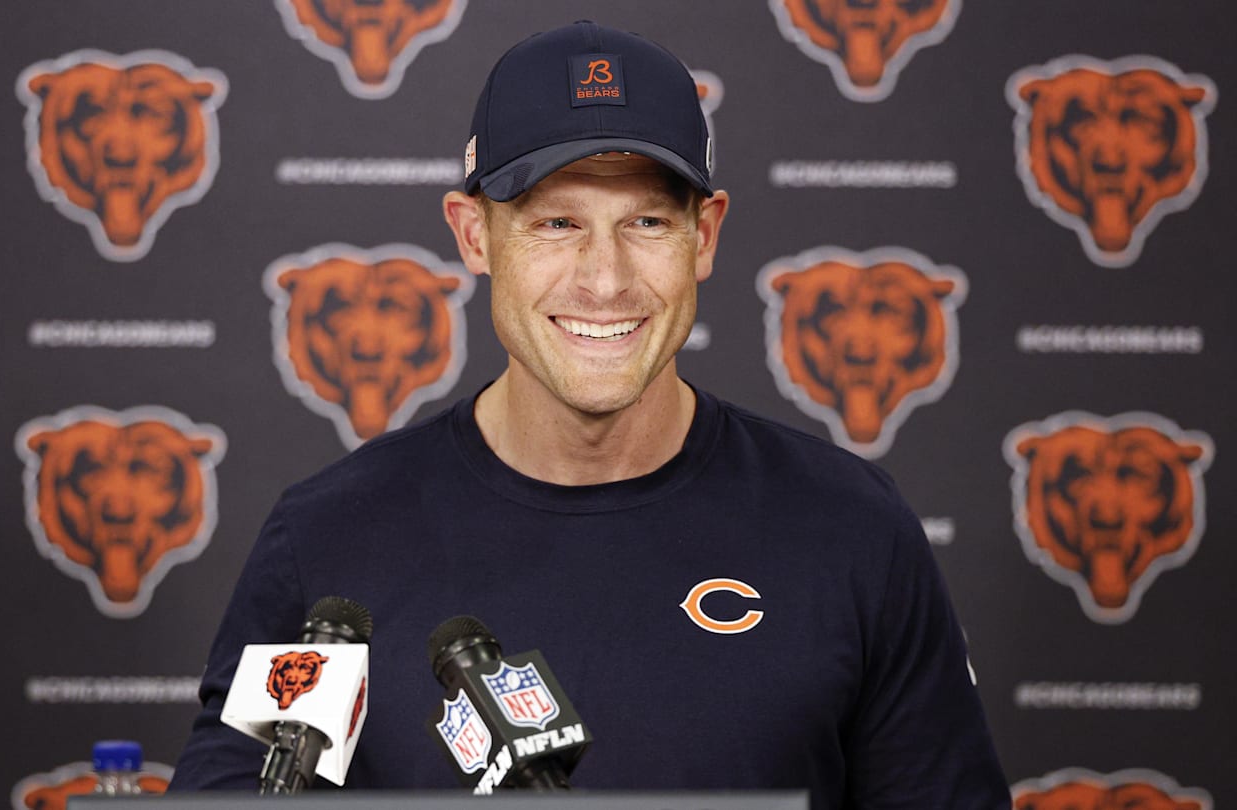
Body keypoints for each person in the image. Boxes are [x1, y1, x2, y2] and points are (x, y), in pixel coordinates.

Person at [170, 20, 1009, 808]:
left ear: (704, 237)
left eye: (646, 221)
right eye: (556, 222)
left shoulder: (852, 530)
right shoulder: (327, 546)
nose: (603, 280)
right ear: (473, 236)